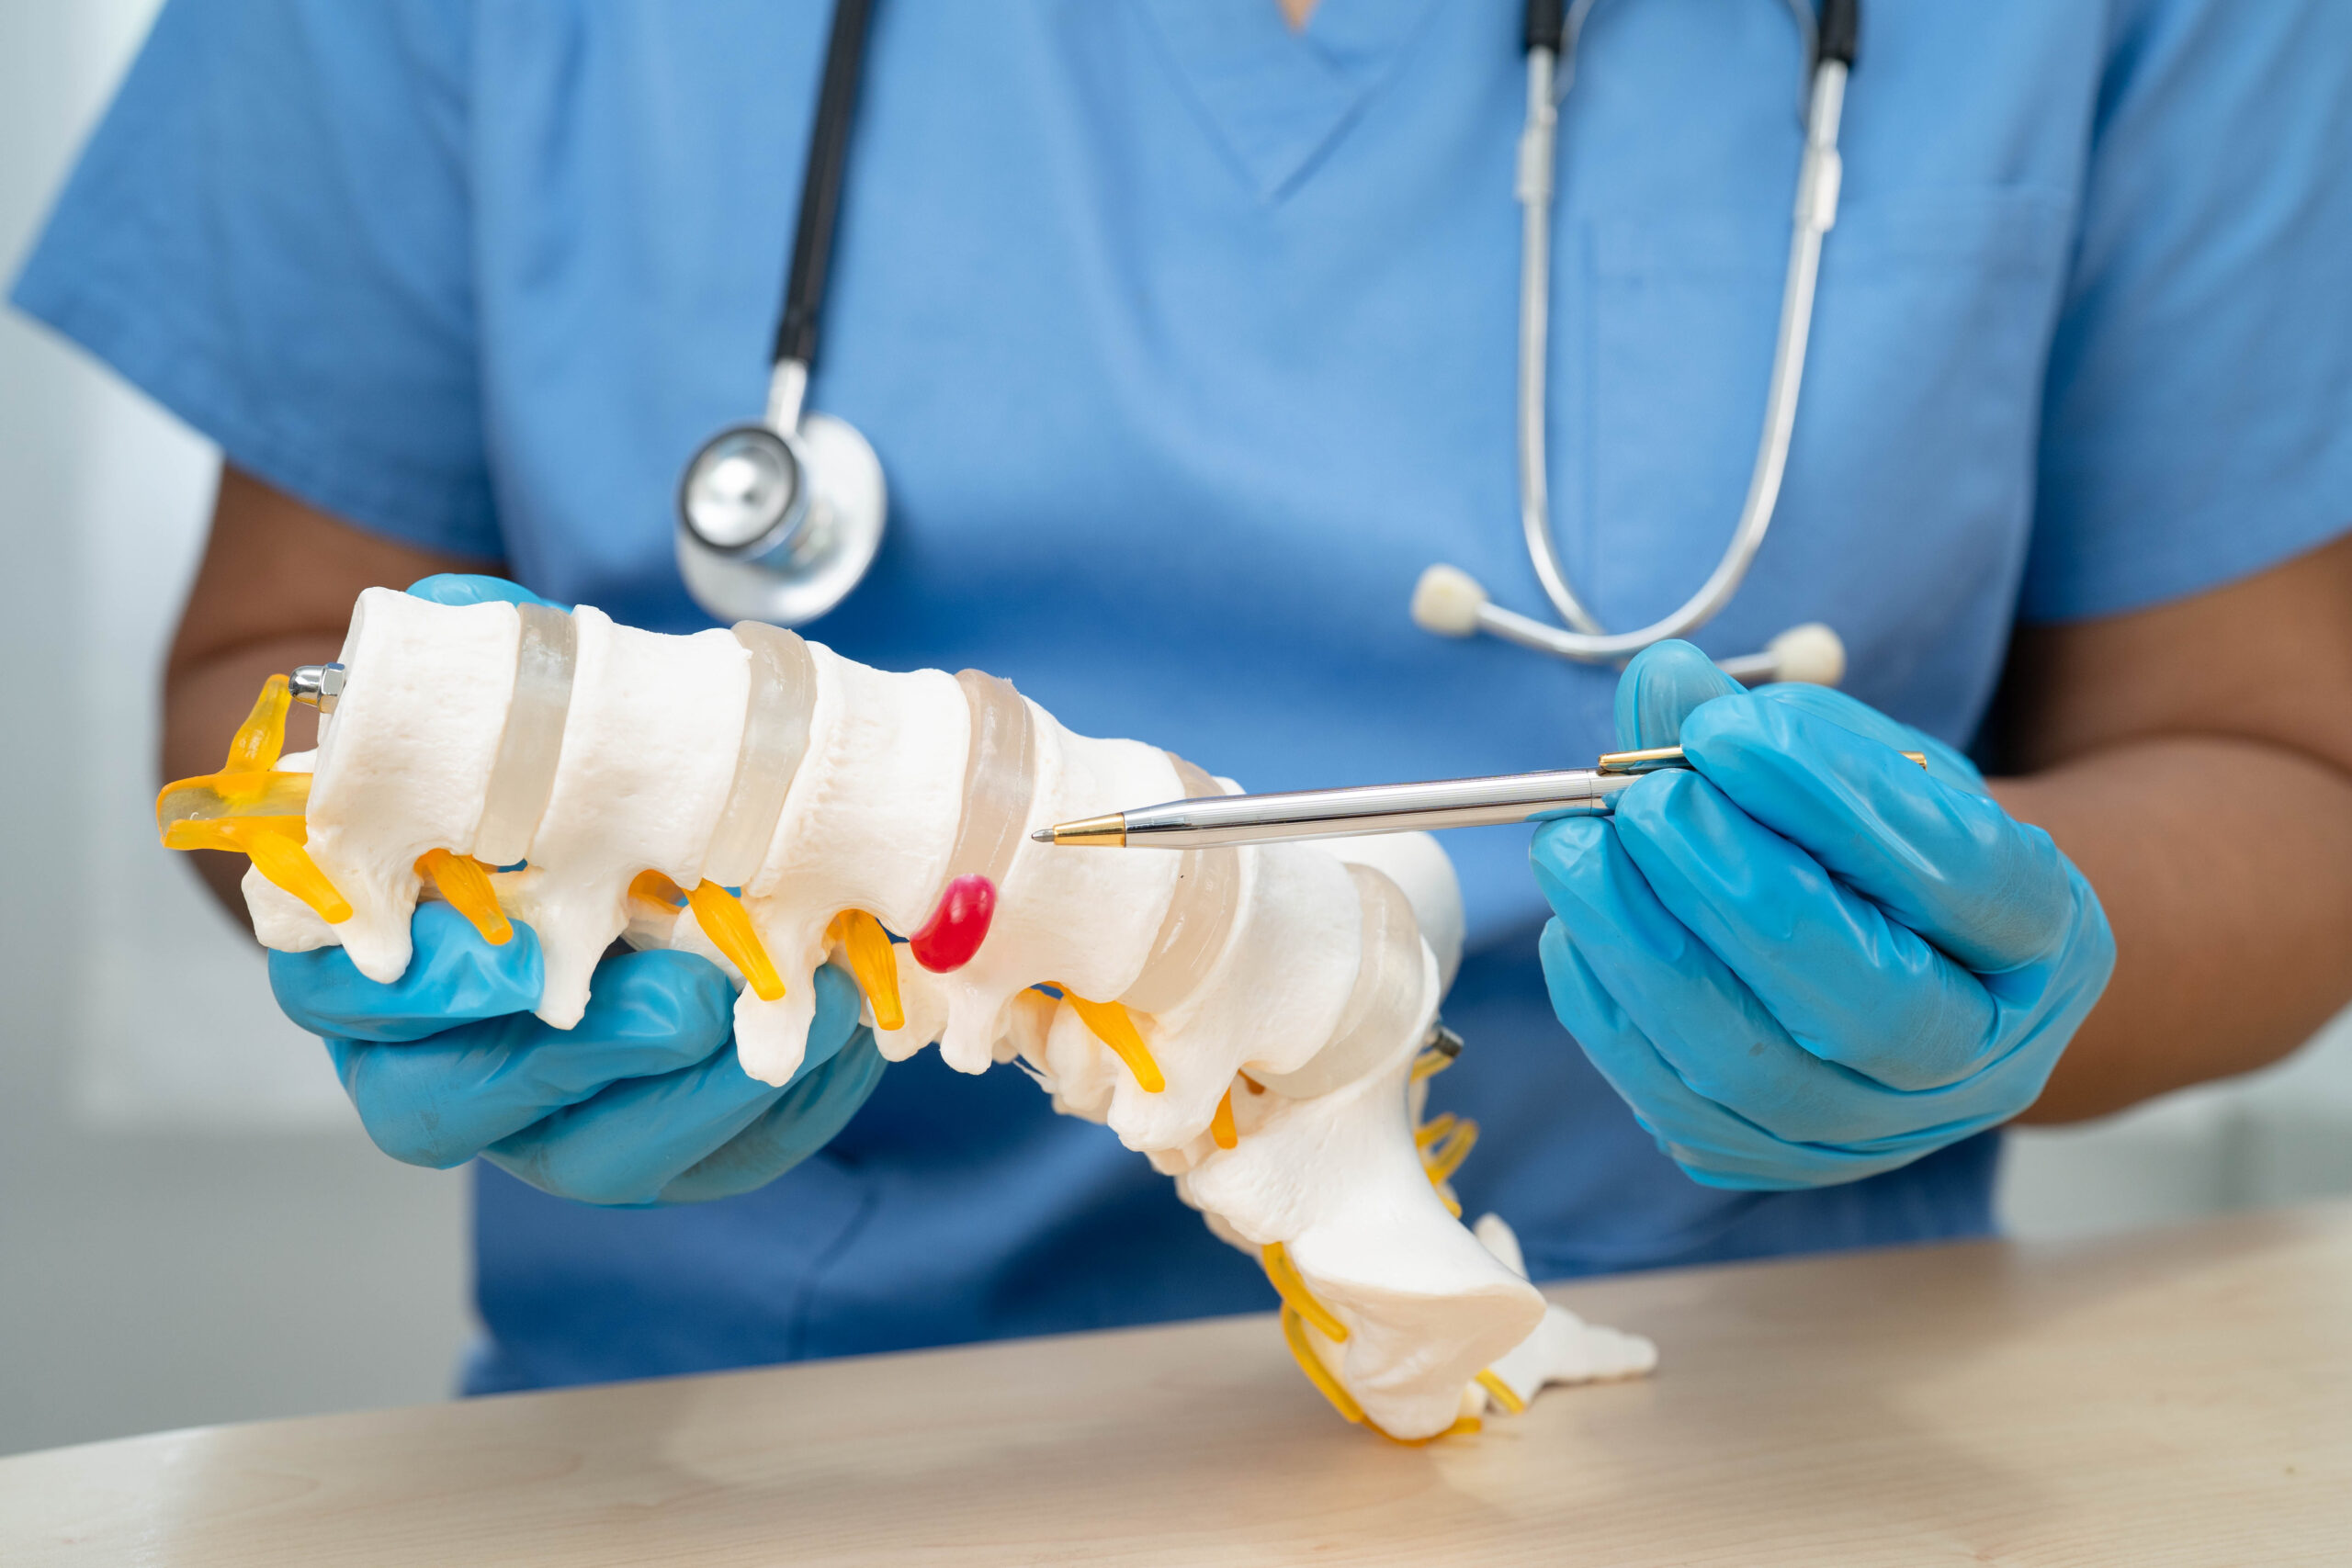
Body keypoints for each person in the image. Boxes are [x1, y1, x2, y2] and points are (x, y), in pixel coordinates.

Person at [15, 0, 2351, 1395]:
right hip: (732, 1447)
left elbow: (2280, 755)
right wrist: (432, 892)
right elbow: (264, 677)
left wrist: (2005, 958)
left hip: (1725, 1425)